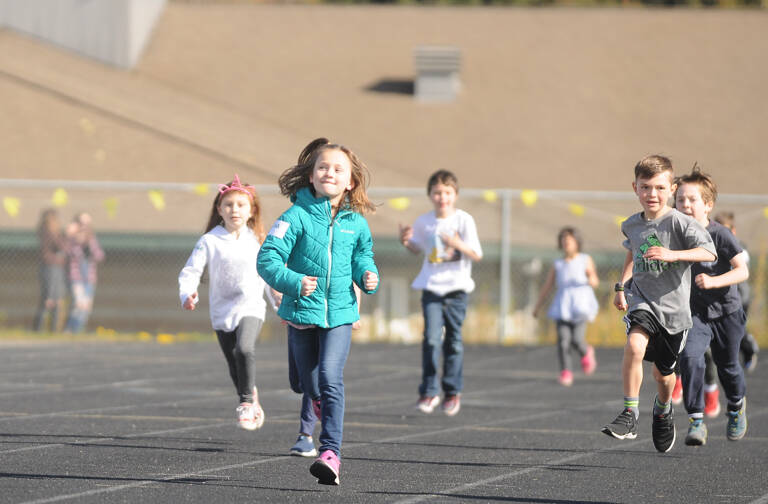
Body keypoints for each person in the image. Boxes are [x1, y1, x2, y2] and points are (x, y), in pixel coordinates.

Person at [257, 138, 379, 486]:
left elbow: (363, 257)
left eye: (338, 169)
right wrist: (294, 281)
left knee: (330, 378)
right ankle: (313, 399)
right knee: (306, 384)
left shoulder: (355, 222)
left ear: (350, 181)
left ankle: (330, 454)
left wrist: (368, 276)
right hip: (301, 313)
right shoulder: (294, 216)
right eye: (323, 167)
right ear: (310, 176)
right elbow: (267, 260)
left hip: (340, 312)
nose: (330, 173)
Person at [601, 155, 716, 453]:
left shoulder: (680, 222)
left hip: (675, 312)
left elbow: (709, 253)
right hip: (642, 300)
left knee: (664, 377)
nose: (652, 194)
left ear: (672, 189)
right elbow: (633, 253)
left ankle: (663, 409)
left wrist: (673, 255)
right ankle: (629, 413)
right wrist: (621, 286)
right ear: (635, 188)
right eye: (646, 187)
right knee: (634, 346)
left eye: (660, 188)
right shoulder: (631, 225)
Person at [179, 174, 271, 432]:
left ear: (251, 210)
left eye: (241, 205)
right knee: (234, 365)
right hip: (222, 311)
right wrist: (188, 293)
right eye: (229, 205)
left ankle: (246, 403)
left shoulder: (258, 240)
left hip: (251, 306)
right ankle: (249, 392)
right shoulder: (210, 240)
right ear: (219, 210)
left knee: (244, 349)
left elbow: (270, 277)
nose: (235, 210)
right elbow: (191, 271)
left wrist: (281, 304)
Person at [398, 170, 482, 416]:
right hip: (432, 286)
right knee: (431, 339)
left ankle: (452, 391)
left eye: (447, 192)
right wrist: (405, 242)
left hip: (457, 288)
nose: (442, 197)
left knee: (453, 341)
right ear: (430, 195)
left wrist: (457, 245)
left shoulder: (464, 220)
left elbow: (476, 254)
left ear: (455, 195)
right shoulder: (424, 222)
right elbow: (418, 249)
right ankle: (429, 390)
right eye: (437, 192)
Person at [674, 169, 749, 446]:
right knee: (690, 359)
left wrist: (716, 280)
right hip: (694, 314)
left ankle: (736, 407)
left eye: (692, 200)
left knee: (727, 366)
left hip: (727, 312)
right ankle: (696, 420)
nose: (686, 206)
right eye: (681, 200)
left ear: (708, 204)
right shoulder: (674, 235)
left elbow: (742, 271)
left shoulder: (720, 235)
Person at [286, 286, 362, 459]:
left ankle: (313, 440)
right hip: (300, 309)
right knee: (300, 383)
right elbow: (276, 263)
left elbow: (354, 269)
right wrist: (281, 295)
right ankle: (318, 400)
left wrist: (355, 309)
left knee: (328, 376)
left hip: (336, 313)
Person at [533, 226, 599, 386]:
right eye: (563, 241)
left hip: (580, 306)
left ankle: (586, 352)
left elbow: (594, 281)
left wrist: (590, 277)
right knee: (563, 340)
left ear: (576, 242)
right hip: (563, 306)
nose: (566, 243)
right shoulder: (558, 264)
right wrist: (538, 307)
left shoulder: (585, 259)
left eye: (569, 240)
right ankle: (566, 371)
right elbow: (547, 287)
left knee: (576, 339)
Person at [714, 211, 759, 373]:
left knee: (736, 330)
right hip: (721, 298)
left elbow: (740, 262)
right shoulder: (713, 244)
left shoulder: (740, 249)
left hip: (740, 298)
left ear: (732, 231)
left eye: (724, 230)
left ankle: (748, 348)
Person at [64, 213, 105, 333]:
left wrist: (88, 246)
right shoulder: (71, 240)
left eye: (87, 224)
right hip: (76, 278)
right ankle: (70, 330)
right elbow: (70, 253)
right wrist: (76, 241)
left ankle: (77, 330)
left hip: (89, 278)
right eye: (81, 224)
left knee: (87, 307)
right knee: (79, 304)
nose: (84, 227)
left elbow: (100, 256)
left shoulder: (91, 239)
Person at [33, 209, 68, 332]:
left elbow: (64, 248)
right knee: (48, 299)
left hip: (57, 267)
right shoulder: (47, 232)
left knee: (57, 299)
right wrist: (67, 234)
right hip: (50, 267)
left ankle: (53, 330)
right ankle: (38, 329)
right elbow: (60, 246)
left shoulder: (55, 233)